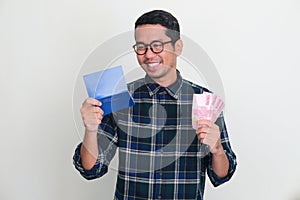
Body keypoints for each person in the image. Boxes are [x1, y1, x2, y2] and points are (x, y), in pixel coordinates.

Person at [73, 9, 237, 200]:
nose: (149, 55)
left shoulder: (203, 100)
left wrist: (217, 150)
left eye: (157, 46)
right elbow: (91, 168)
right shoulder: (119, 97)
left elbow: (222, 175)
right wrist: (91, 130)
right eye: (141, 47)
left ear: (178, 47)